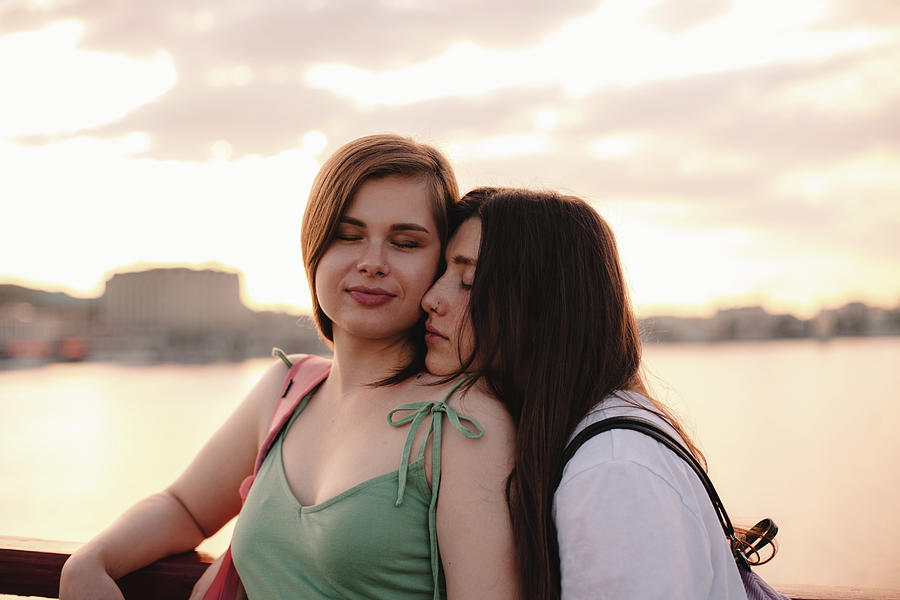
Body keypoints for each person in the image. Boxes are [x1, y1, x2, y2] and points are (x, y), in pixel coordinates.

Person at [59, 136, 519, 600]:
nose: (372, 262)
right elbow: (185, 508)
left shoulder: (460, 422)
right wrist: (92, 560)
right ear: (314, 244)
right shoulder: (288, 386)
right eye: (348, 234)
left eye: (405, 242)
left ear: (439, 263)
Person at [421, 187, 748, 599]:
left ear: (542, 308)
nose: (431, 299)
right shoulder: (591, 441)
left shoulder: (614, 471)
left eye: (468, 280)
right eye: (442, 274)